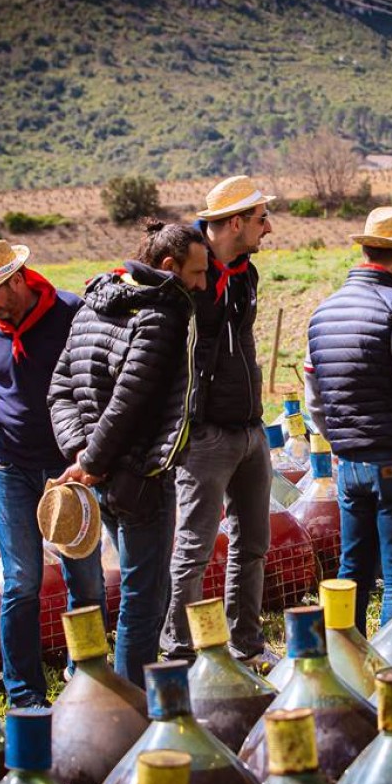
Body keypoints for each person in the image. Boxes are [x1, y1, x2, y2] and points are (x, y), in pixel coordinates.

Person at [48, 221, 206, 687]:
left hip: (102, 479)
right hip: (140, 478)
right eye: (195, 273)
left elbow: (60, 391)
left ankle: (112, 695)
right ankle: (131, 704)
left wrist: (81, 455)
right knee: (145, 597)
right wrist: (91, 462)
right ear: (168, 267)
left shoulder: (93, 305)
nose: (199, 284)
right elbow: (130, 401)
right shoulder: (161, 315)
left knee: (134, 591)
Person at [0, 238, 103, 708]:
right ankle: (24, 694)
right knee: (21, 581)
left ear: (18, 279)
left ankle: (87, 675)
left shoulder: (71, 313)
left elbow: (93, 380)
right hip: (9, 464)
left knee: (86, 577)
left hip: (67, 465)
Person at [303, 206, 392, 635]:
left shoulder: (322, 314)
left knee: (353, 569)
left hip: (348, 465)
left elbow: (314, 402)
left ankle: (346, 663)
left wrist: (344, 443)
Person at [159, 175, 275, 665]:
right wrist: (191, 423)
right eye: (260, 219)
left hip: (250, 428)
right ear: (234, 223)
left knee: (253, 545)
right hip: (205, 437)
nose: (268, 227)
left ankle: (245, 647)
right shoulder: (185, 276)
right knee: (194, 547)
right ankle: (178, 652)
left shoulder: (246, 273)